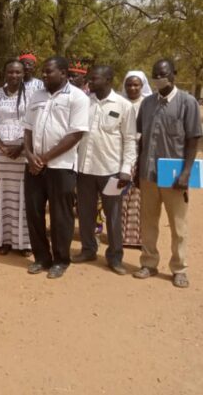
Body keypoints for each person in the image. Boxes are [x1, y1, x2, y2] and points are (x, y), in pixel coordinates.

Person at [133, 59, 201, 288]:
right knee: (148, 222)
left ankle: (179, 268)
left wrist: (187, 172)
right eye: (154, 75)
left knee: (178, 225)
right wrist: (137, 170)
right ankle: (149, 263)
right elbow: (141, 138)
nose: (158, 78)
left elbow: (193, 139)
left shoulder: (187, 103)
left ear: (173, 74)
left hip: (174, 176)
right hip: (148, 173)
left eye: (162, 74)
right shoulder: (148, 103)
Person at [23, 56, 90, 279]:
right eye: (43, 71)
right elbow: (28, 128)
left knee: (61, 216)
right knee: (34, 212)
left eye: (48, 71)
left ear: (63, 73)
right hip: (34, 166)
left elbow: (76, 134)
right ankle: (41, 257)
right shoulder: (37, 95)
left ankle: (61, 260)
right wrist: (31, 156)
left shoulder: (78, 97)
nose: (43, 75)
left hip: (61, 166)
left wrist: (44, 158)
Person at [72, 66, 137, 275]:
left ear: (108, 79)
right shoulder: (84, 102)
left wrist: (126, 169)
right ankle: (88, 249)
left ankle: (115, 257)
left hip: (111, 171)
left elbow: (129, 140)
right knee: (85, 213)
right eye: (90, 78)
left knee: (113, 215)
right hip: (85, 169)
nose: (90, 81)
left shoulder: (124, 106)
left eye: (95, 78)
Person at [0, 60, 33, 255]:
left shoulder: (31, 94)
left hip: (22, 150)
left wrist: (21, 146)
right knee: (1, 193)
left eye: (17, 72)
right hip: (1, 152)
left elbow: (33, 123)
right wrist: (1, 146)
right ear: (5, 73)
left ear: (23, 74)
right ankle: (2, 239)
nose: (14, 76)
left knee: (22, 195)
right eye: (10, 72)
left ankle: (24, 242)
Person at [120, 70, 152, 247]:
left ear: (142, 86)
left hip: (142, 155)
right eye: (129, 84)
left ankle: (139, 238)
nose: (132, 88)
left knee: (140, 198)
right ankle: (120, 236)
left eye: (136, 84)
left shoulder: (148, 104)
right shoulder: (120, 103)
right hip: (121, 155)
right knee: (122, 196)